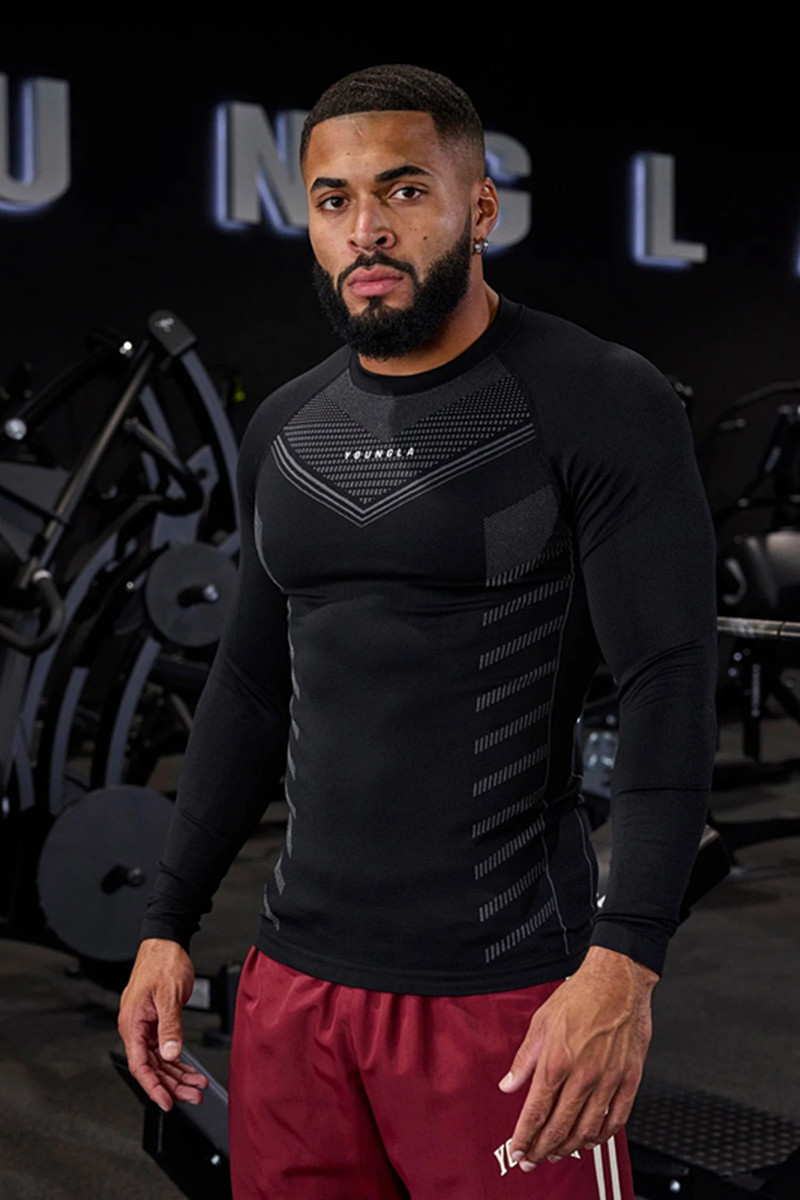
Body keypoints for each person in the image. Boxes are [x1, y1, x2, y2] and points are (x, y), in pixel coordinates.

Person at [118, 64, 718, 1199]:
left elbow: (668, 679)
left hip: (506, 994)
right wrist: (166, 921)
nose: (366, 230)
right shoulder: (286, 429)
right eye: (333, 200)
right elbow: (248, 687)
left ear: (479, 207)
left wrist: (627, 959)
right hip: (295, 988)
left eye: (402, 190)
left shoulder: (597, 398)